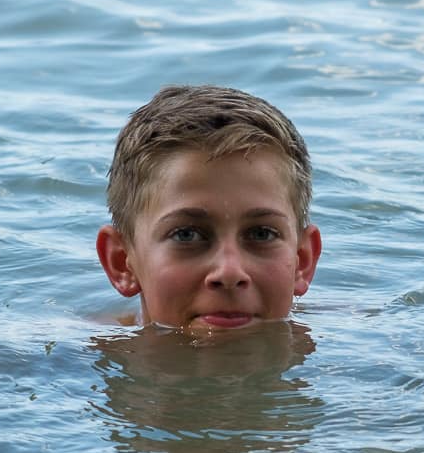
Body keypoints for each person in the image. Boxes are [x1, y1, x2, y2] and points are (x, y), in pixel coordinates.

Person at [96, 85, 321, 334]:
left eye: (262, 234)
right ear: (122, 263)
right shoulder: (72, 354)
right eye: (186, 235)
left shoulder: (347, 344)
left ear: (302, 261)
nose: (229, 273)